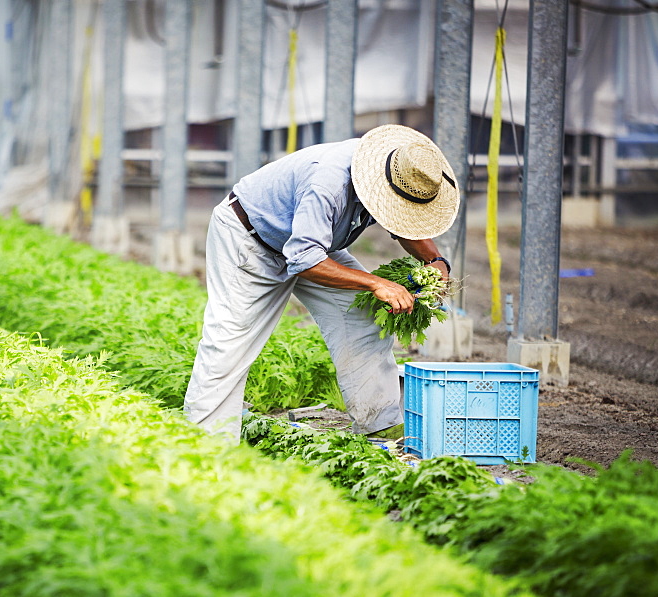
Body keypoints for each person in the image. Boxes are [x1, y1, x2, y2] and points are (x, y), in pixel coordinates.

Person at [184, 124, 459, 441]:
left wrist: (434, 261)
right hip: (251, 241)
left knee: (363, 318)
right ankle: (203, 445)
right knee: (229, 342)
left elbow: (403, 225)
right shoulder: (329, 182)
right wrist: (375, 283)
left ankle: (380, 426)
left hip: (313, 246)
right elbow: (303, 260)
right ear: (381, 187)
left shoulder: (398, 172)